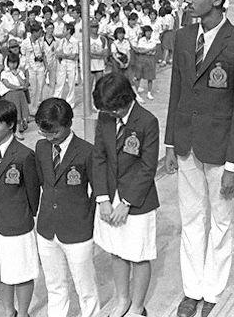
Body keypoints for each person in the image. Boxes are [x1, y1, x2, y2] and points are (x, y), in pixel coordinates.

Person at [165, 0, 234, 317]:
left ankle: (213, 292)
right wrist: (171, 144)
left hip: (220, 151)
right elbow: (177, 93)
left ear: (216, 0)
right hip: (187, 145)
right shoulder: (184, 38)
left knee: (219, 222)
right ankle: (192, 291)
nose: (187, 0)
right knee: (190, 219)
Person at [91, 72, 160, 317]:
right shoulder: (105, 117)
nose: (111, 114)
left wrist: (126, 203)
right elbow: (98, 156)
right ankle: (122, 299)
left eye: (114, 110)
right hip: (110, 196)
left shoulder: (147, 121)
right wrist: (103, 199)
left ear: (125, 100)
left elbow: (147, 166)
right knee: (117, 251)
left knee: (139, 254)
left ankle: (138, 306)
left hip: (137, 200)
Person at [34, 98, 100, 317]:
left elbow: (98, 191)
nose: (50, 137)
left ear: (68, 124)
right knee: (55, 285)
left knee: (85, 287)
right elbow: (44, 182)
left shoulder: (86, 151)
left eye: (54, 132)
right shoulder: (42, 148)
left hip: (77, 230)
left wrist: (87, 219)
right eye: (45, 132)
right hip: (47, 229)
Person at [0, 99, 40, 317]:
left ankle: (23, 313)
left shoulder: (24, 155)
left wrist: (23, 215)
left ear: (11, 125)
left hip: (16, 222)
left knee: (21, 271)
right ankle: (8, 310)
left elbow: (33, 193)